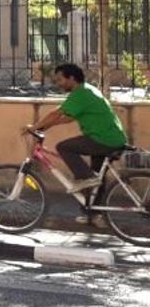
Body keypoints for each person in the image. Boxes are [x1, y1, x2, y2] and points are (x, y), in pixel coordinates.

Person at [31, 62, 128, 223]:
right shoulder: (87, 90)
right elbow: (66, 118)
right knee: (97, 178)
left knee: (64, 148)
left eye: (60, 80)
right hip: (110, 138)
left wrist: (34, 126)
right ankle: (94, 215)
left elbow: (56, 113)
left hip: (103, 139)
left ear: (71, 78)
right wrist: (44, 128)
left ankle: (87, 178)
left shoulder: (80, 94)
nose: (58, 83)